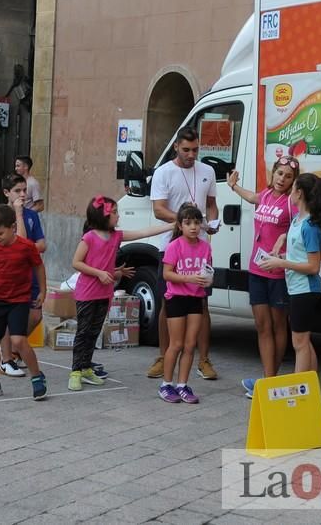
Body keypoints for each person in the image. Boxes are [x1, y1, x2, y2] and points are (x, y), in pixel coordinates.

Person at [69, 195, 171, 391]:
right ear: (103, 216)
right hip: (87, 293)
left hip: (104, 293)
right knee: (83, 332)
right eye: (114, 212)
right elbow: (77, 262)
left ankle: (86, 367)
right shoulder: (89, 237)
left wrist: (170, 226)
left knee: (94, 332)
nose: (118, 216)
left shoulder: (116, 236)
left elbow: (144, 232)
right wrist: (99, 273)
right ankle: (75, 371)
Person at [147, 126, 219, 380]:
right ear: (176, 146)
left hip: (199, 248)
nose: (191, 155)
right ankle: (163, 355)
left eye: (196, 150)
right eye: (186, 150)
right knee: (168, 302)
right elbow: (158, 209)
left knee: (202, 302)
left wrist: (213, 222)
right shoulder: (163, 172)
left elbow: (211, 205)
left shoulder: (207, 171)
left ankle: (205, 360)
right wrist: (186, 219)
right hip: (170, 245)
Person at [227, 156, 300, 398]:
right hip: (256, 270)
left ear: (293, 181)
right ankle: (268, 378)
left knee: (279, 325)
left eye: (288, 177)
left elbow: (304, 225)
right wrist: (233, 185)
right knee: (262, 325)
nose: (282, 179)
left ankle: (269, 381)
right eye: (280, 174)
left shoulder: (292, 202)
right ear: (273, 173)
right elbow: (251, 198)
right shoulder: (267, 195)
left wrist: (284, 240)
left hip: (278, 271)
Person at [259, 173, 321, 374]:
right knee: (304, 341)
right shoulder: (297, 221)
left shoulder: (310, 226)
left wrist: (281, 262)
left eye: (292, 188)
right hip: (297, 288)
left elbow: (313, 267)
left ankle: (299, 389)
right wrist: (279, 253)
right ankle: (310, 387)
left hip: (305, 290)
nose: (289, 192)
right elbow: (299, 255)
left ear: (299, 193)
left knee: (299, 344)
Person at [0, 204, 47, 400]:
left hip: (20, 300)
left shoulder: (26, 247)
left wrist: (43, 291)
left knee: (18, 340)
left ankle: (37, 377)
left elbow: (39, 267)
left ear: (13, 227)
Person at [158, 203, 213, 403]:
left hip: (196, 299)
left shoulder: (205, 247)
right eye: (188, 223)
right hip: (176, 299)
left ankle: (182, 385)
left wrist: (207, 279)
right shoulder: (174, 246)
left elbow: (207, 272)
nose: (193, 227)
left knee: (190, 344)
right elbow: (167, 274)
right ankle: (166, 384)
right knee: (177, 343)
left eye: (197, 223)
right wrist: (189, 279)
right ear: (180, 226)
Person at [0, 173, 47, 377]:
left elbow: (40, 245)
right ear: (6, 193)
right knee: (9, 317)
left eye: (25, 190)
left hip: (31, 272)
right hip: (10, 274)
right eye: (18, 190)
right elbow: (20, 243)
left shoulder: (32, 215)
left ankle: (14, 349)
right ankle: (6, 359)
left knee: (35, 315)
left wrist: (25, 249)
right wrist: (17, 212)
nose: (23, 194)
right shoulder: (0, 215)